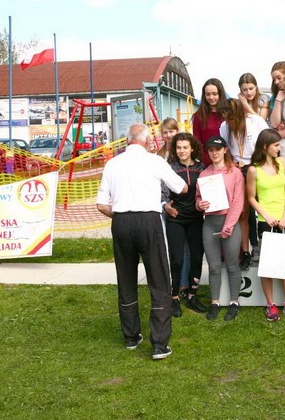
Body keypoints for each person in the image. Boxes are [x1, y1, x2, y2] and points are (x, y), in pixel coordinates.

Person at [96, 123, 187, 360]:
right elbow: (181, 187)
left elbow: (101, 205)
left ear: (128, 140)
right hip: (149, 220)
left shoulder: (112, 163)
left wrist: (122, 215)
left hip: (121, 221)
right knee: (159, 279)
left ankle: (130, 336)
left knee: (126, 279)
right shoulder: (154, 161)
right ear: (147, 142)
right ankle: (159, 344)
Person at [247, 129, 285, 321]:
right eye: (276, 145)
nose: (279, 148)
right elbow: (251, 197)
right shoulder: (253, 170)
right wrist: (266, 215)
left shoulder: (282, 162)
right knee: (267, 264)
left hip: (284, 220)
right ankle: (271, 304)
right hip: (265, 221)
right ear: (265, 146)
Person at [196, 136, 244, 322]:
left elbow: (238, 201)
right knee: (214, 266)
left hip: (229, 222)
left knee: (232, 265)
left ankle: (234, 302)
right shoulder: (204, 175)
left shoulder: (235, 173)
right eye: (211, 150)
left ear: (225, 150)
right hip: (210, 223)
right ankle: (214, 302)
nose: (214, 153)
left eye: (217, 149)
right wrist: (199, 204)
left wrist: (228, 225)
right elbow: (198, 198)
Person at [219, 98, 268, 269]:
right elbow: (225, 150)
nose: (229, 123)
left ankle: (263, 246)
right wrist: (231, 166)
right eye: (226, 119)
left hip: (256, 167)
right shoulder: (224, 126)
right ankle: (246, 251)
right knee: (243, 213)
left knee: (263, 209)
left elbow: (268, 143)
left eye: (232, 118)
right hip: (238, 169)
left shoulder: (255, 121)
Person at [162, 132, 207, 316]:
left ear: (192, 148)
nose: (182, 151)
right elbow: (162, 192)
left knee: (196, 257)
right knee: (177, 259)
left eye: (185, 147)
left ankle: (191, 295)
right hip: (176, 218)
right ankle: (174, 297)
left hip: (196, 218)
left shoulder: (202, 168)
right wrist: (165, 206)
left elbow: (208, 192)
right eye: (179, 147)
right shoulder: (169, 168)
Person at [192, 78, 227, 166]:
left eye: (214, 94)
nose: (211, 97)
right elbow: (197, 142)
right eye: (208, 94)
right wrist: (207, 161)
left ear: (220, 94)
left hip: (228, 161)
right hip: (208, 163)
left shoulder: (228, 114)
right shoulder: (198, 116)